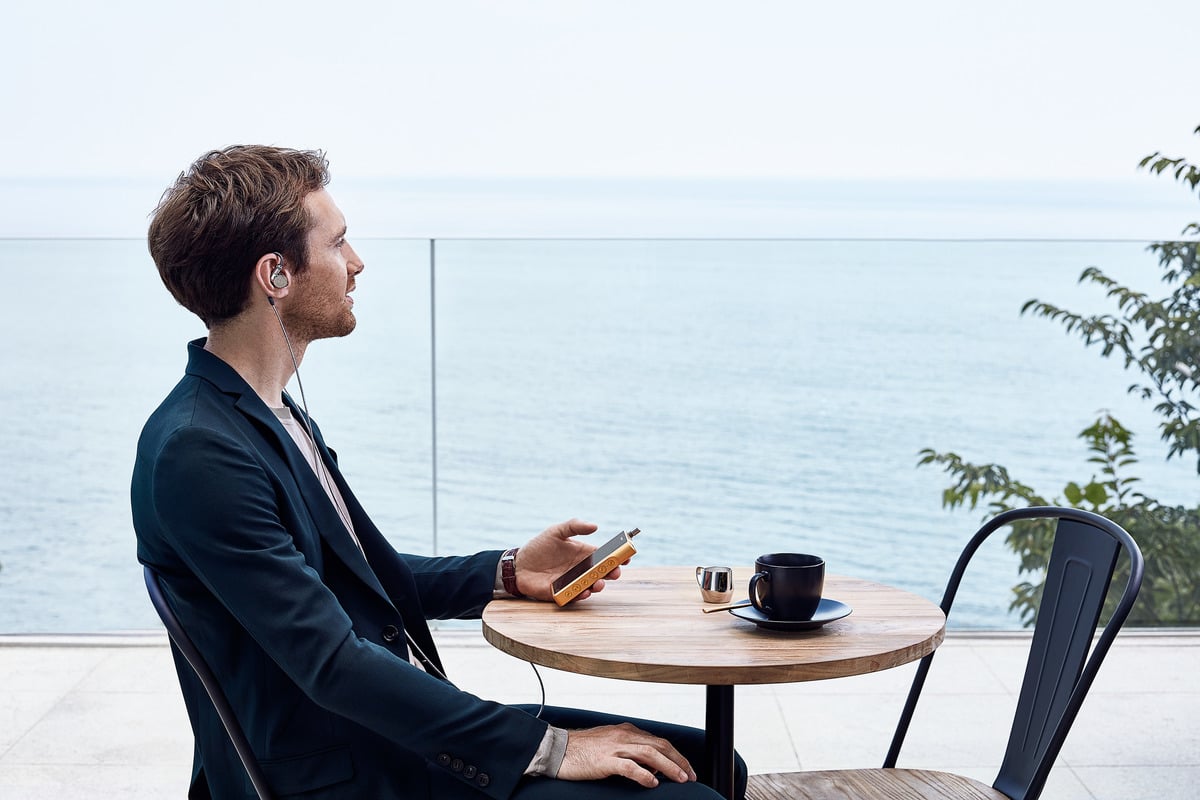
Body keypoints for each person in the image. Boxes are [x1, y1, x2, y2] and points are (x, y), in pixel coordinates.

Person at [132, 145, 747, 800]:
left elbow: (354, 577)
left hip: (384, 737)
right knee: (687, 793)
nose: (357, 262)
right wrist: (551, 749)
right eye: (337, 243)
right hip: (341, 772)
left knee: (713, 762)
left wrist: (508, 572)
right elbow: (330, 662)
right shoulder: (199, 453)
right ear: (276, 274)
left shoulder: (269, 414)